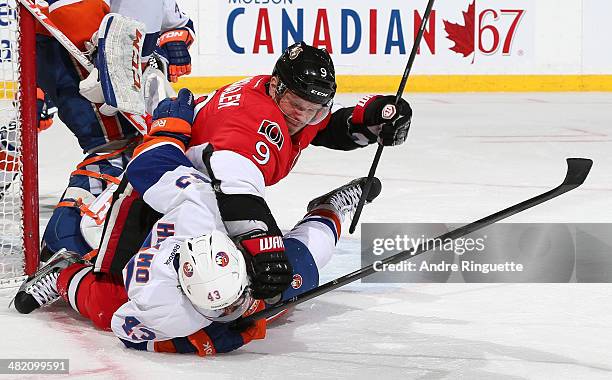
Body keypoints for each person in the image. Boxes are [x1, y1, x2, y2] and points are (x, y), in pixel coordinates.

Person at [13, 90, 382, 355]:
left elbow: (226, 196)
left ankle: (328, 208)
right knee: (109, 298)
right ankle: (65, 274)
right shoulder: (156, 298)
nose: (231, 312)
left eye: (231, 303)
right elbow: (127, 331)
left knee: (290, 274)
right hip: (153, 219)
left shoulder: (201, 204)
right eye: (221, 309)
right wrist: (207, 341)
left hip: (204, 211)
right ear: (184, 296)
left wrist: (168, 129)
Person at [35, 0, 196, 261]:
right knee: (117, 146)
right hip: (83, 69)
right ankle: (68, 241)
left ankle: (68, 241)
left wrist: (174, 42)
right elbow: (59, 25)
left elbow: (178, 24)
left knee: (131, 147)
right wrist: (38, 90)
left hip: (130, 82)